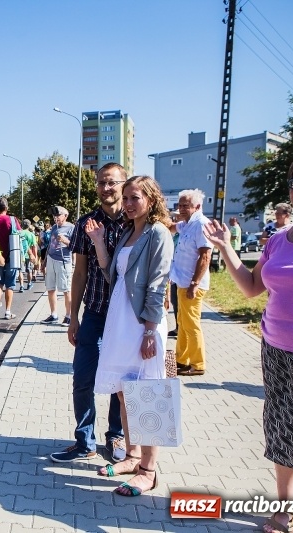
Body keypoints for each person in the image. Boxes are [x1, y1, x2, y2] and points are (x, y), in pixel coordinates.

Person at [202, 153, 293, 533]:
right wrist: (226, 247)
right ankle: (282, 507)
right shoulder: (279, 240)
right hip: (276, 350)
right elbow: (250, 288)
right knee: (281, 428)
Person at [90, 176, 173, 497]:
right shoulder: (128, 231)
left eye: (134, 198)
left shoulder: (159, 233)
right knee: (126, 390)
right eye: (125, 198)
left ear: (151, 199)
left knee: (148, 393)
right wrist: (99, 241)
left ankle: (149, 470)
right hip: (119, 318)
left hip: (143, 322)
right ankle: (133, 455)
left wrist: (151, 329)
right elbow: (113, 273)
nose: (127, 203)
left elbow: (158, 282)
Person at [51, 162, 127, 464]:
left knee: (120, 381)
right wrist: (74, 316)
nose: (106, 188)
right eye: (101, 183)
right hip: (95, 313)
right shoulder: (86, 223)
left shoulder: (136, 222)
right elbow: (79, 273)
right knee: (83, 378)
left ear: (123, 183)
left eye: (112, 182)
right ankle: (85, 442)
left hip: (126, 317)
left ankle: (116, 436)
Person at [169, 189, 212, 376]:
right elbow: (170, 226)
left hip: (192, 284)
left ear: (197, 206)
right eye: (180, 205)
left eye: (186, 205)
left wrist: (195, 283)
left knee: (191, 324)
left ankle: (198, 364)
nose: (182, 209)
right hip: (181, 281)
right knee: (182, 322)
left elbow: (205, 256)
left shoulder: (201, 224)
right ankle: (182, 360)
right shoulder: (186, 224)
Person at [40, 206, 75, 326]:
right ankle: (53, 314)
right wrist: (44, 262)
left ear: (65, 215)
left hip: (63, 261)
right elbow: (50, 245)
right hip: (51, 259)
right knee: (50, 288)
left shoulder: (71, 228)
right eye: (54, 216)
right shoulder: (54, 227)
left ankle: (68, 316)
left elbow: (76, 246)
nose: (55, 218)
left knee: (66, 290)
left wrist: (65, 241)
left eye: (58, 215)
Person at [0, 197, 20, 320]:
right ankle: (8, 311)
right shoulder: (12, 219)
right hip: (12, 255)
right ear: (7, 207)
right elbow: (18, 235)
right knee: (10, 285)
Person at [18, 219, 37, 292]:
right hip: (29, 255)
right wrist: (34, 256)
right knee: (29, 270)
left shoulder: (20, 233)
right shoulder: (31, 234)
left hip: (20, 255)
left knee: (20, 271)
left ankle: (21, 286)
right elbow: (34, 247)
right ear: (29, 225)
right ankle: (29, 284)